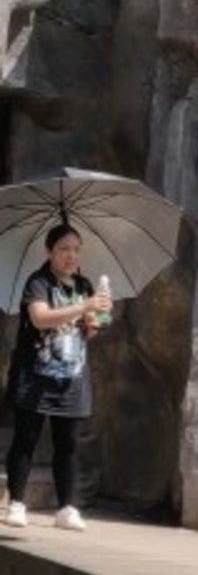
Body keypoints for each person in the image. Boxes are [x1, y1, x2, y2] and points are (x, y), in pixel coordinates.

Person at [4, 223, 105, 531]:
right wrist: (84, 306)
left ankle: (66, 508)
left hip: (71, 377)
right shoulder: (38, 282)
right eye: (64, 249)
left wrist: (98, 314)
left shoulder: (83, 285)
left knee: (69, 444)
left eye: (76, 249)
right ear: (50, 251)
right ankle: (16, 503)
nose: (71, 255)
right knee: (26, 440)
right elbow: (40, 318)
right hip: (35, 375)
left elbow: (90, 329)